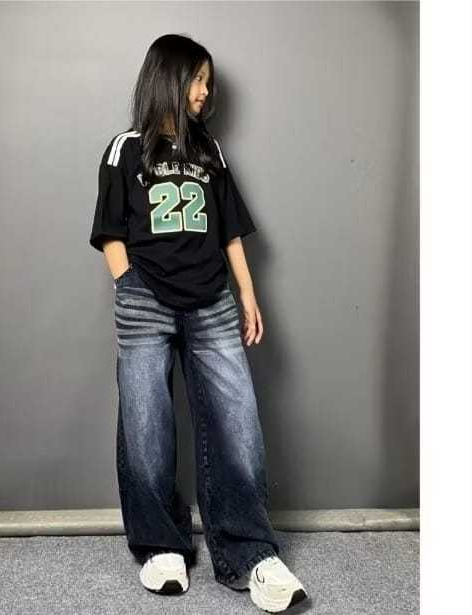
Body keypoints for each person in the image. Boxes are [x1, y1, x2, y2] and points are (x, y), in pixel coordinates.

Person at [89, 34, 308, 613]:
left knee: (237, 421)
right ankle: (162, 545)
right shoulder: (125, 148)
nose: (206, 91)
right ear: (168, 77)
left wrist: (247, 292)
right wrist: (128, 282)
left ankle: (250, 555)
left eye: (209, 81)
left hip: (212, 300)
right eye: (198, 79)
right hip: (145, 300)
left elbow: (229, 228)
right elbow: (110, 230)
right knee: (147, 424)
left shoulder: (210, 149)